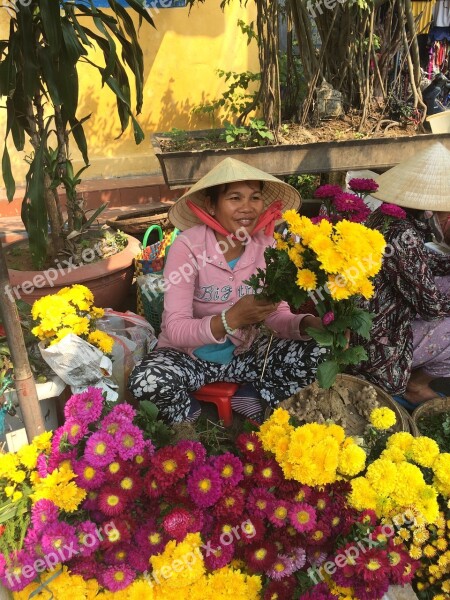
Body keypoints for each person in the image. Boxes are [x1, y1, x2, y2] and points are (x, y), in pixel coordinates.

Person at [128, 158, 326, 423]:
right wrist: (230, 320)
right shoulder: (188, 247)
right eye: (235, 198)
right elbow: (174, 327)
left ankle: (252, 393)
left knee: (321, 351)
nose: (247, 208)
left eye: (255, 198)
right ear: (211, 205)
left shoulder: (266, 246)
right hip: (190, 358)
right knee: (145, 381)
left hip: (248, 355)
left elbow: (275, 314)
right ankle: (187, 414)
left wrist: (307, 324)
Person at [350, 142, 450, 407]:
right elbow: (431, 307)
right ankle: (412, 387)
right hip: (377, 337)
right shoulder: (403, 234)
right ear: (432, 208)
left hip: (373, 315)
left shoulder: (391, 219)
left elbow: (423, 262)